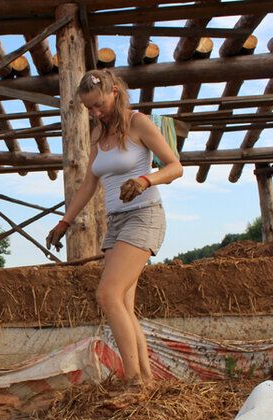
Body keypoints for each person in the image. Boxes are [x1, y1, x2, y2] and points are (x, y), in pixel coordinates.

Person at [46, 69, 183, 393]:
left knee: (107, 293)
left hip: (144, 214)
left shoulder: (139, 123)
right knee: (123, 303)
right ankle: (146, 380)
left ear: (116, 92)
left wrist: (145, 180)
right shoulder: (98, 134)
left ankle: (133, 383)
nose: (95, 113)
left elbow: (174, 166)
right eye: (89, 109)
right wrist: (64, 221)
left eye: (98, 105)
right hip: (117, 223)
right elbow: (90, 182)